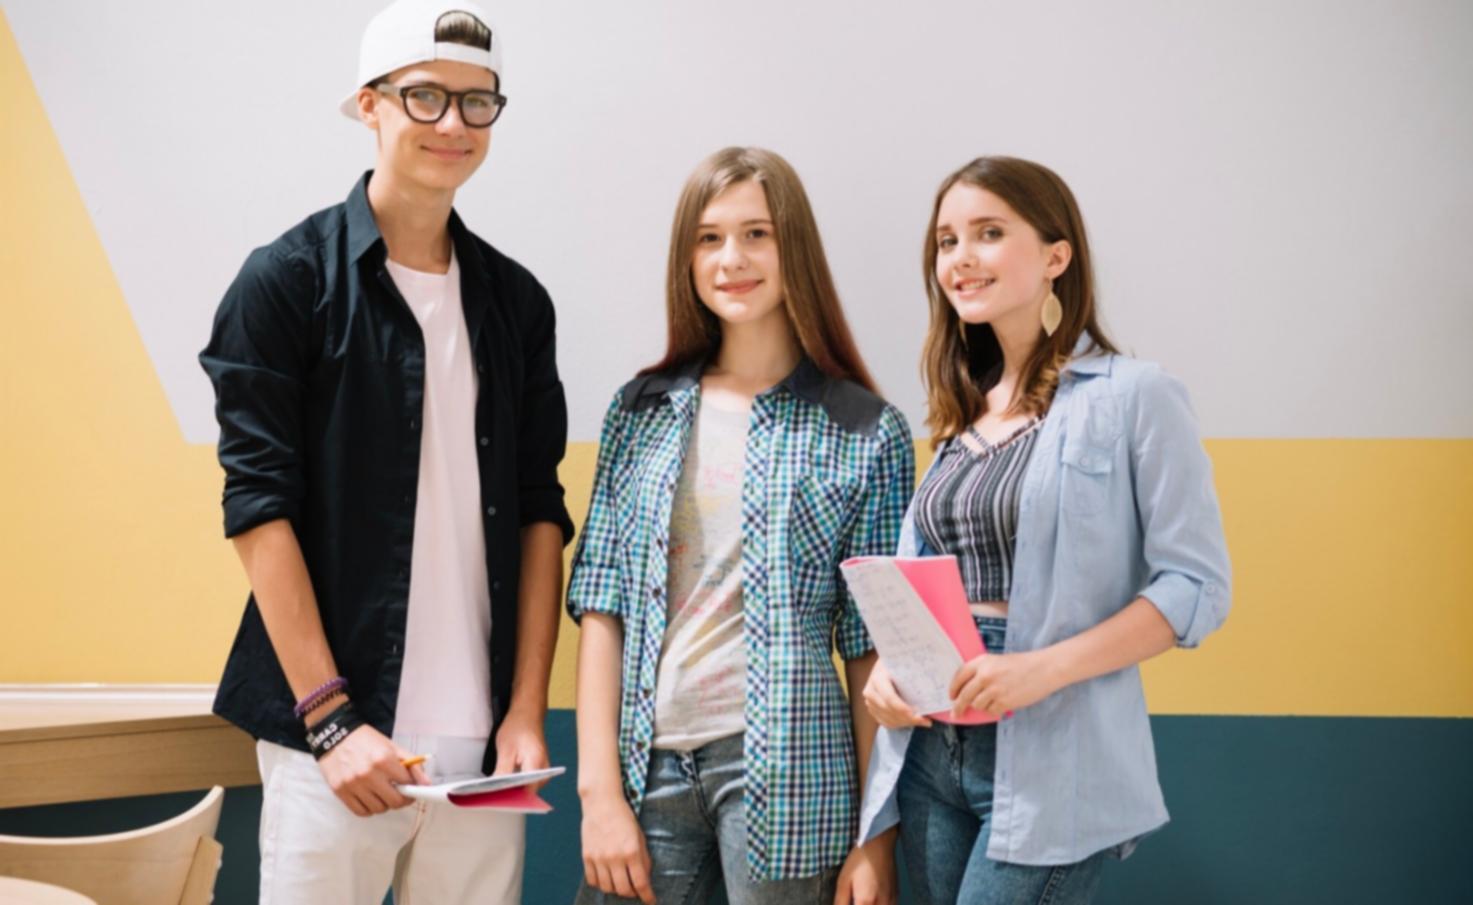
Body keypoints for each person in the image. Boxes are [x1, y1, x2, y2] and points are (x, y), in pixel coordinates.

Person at [198, 2, 573, 901]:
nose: (453, 124)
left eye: (477, 103)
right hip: (338, 737)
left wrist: (524, 712)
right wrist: (330, 720)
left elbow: (537, 513)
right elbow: (258, 508)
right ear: (369, 107)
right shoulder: (285, 282)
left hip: (486, 749)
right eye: (425, 97)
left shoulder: (516, 303)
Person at [858, 156, 1232, 905]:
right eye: (945, 241)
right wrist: (886, 672)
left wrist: (1042, 668)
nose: (959, 258)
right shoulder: (962, 414)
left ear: (1056, 256)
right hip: (932, 742)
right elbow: (926, 585)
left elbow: (1196, 587)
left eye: (988, 233)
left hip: (1053, 746)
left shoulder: (1135, 396)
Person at [567, 146, 913, 905]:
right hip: (644, 767)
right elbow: (602, 606)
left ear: (795, 249)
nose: (732, 258)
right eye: (708, 237)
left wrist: (874, 840)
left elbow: (870, 652)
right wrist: (599, 797)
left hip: (792, 775)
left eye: (757, 234)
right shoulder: (640, 412)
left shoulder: (865, 430)